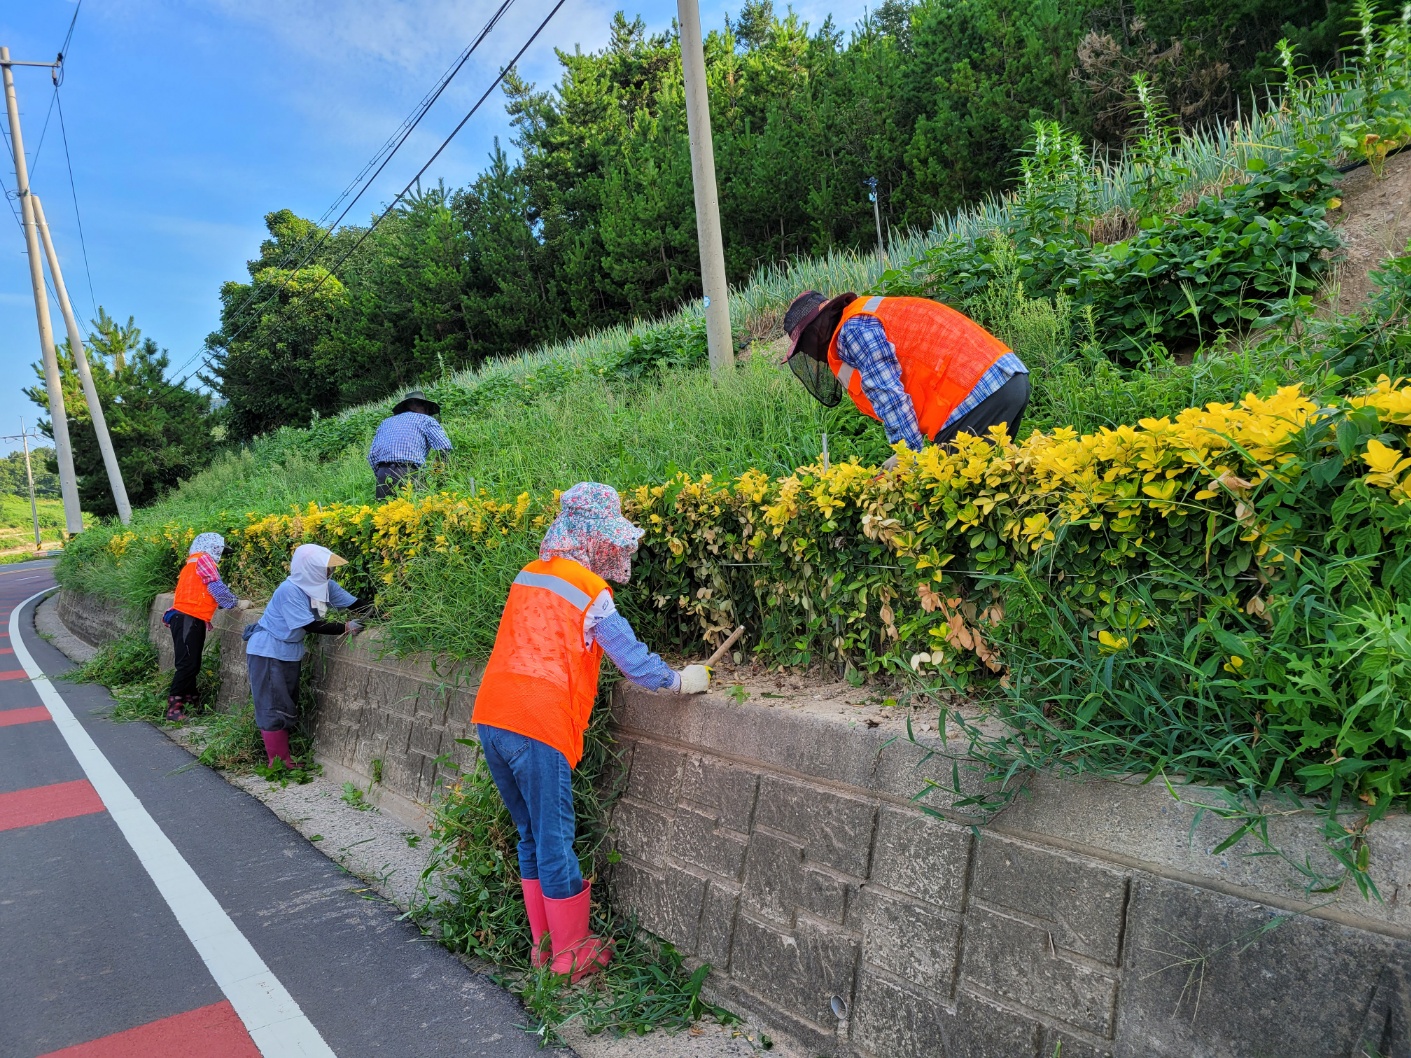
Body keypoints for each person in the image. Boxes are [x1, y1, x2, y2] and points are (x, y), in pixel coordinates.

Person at [471, 482, 712, 982]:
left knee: (530, 835)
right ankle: (572, 953)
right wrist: (680, 680)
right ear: (597, 539)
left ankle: (543, 947)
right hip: (538, 723)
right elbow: (631, 660)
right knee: (555, 839)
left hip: (492, 714)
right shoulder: (587, 590)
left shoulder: (529, 575)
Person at [782, 290, 1030, 466]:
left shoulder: (853, 330)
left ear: (816, 332)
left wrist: (908, 456)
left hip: (975, 396)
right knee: (990, 483)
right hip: (1006, 379)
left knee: (946, 497)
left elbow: (888, 393)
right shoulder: (866, 314)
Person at [242, 544, 374, 768]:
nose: (329, 572)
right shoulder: (289, 590)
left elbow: (355, 604)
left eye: (329, 569)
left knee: (286, 701)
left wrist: (382, 614)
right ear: (307, 568)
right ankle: (279, 762)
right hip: (268, 650)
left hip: (287, 650)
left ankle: (282, 757)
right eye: (324, 568)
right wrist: (345, 627)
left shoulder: (325, 587)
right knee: (273, 704)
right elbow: (311, 625)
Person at [162, 533, 240, 722]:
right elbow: (216, 588)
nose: (221, 555)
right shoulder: (204, 559)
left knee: (192, 664)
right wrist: (235, 603)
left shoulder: (192, 562)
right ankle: (174, 710)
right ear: (212, 547)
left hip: (188, 617)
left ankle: (191, 702)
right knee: (187, 665)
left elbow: (204, 592)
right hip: (188, 617)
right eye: (220, 550)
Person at [368, 389, 453, 500]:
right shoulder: (425, 419)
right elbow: (445, 446)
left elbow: (372, 456)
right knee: (416, 514)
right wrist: (436, 474)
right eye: (425, 407)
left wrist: (381, 475)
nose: (427, 412)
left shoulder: (386, 422)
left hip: (383, 474)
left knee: (386, 515)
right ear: (414, 405)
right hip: (408, 473)